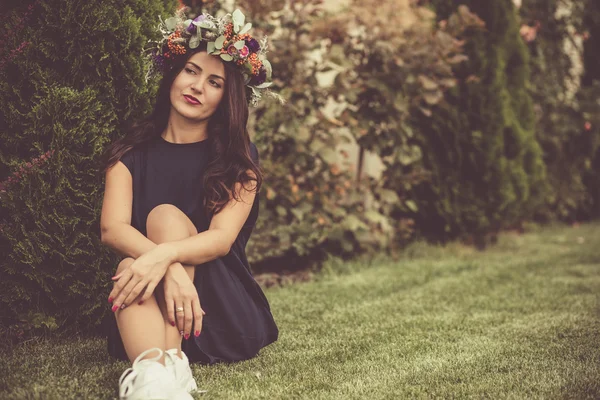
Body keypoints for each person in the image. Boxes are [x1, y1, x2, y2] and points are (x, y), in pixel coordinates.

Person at [98, 8, 280, 399]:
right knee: (131, 263)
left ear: (226, 97)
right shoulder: (130, 152)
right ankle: (159, 374)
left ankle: (158, 369)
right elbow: (112, 230)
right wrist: (171, 270)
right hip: (147, 305)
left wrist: (163, 260)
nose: (197, 86)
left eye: (214, 82)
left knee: (157, 226)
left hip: (219, 311)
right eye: (191, 71)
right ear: (174, 75)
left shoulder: (238, 158)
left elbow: (220, 240)